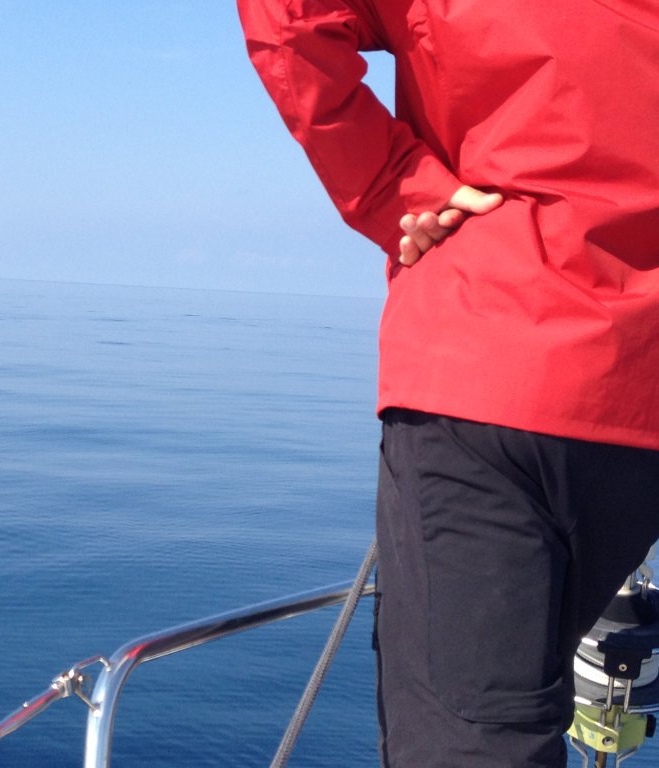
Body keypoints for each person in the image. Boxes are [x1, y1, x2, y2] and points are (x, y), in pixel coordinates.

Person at [236, 1, 659, 766]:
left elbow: (289, 18)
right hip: (634, 400)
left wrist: (392, 185)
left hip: (491, 361)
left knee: (475, 740)